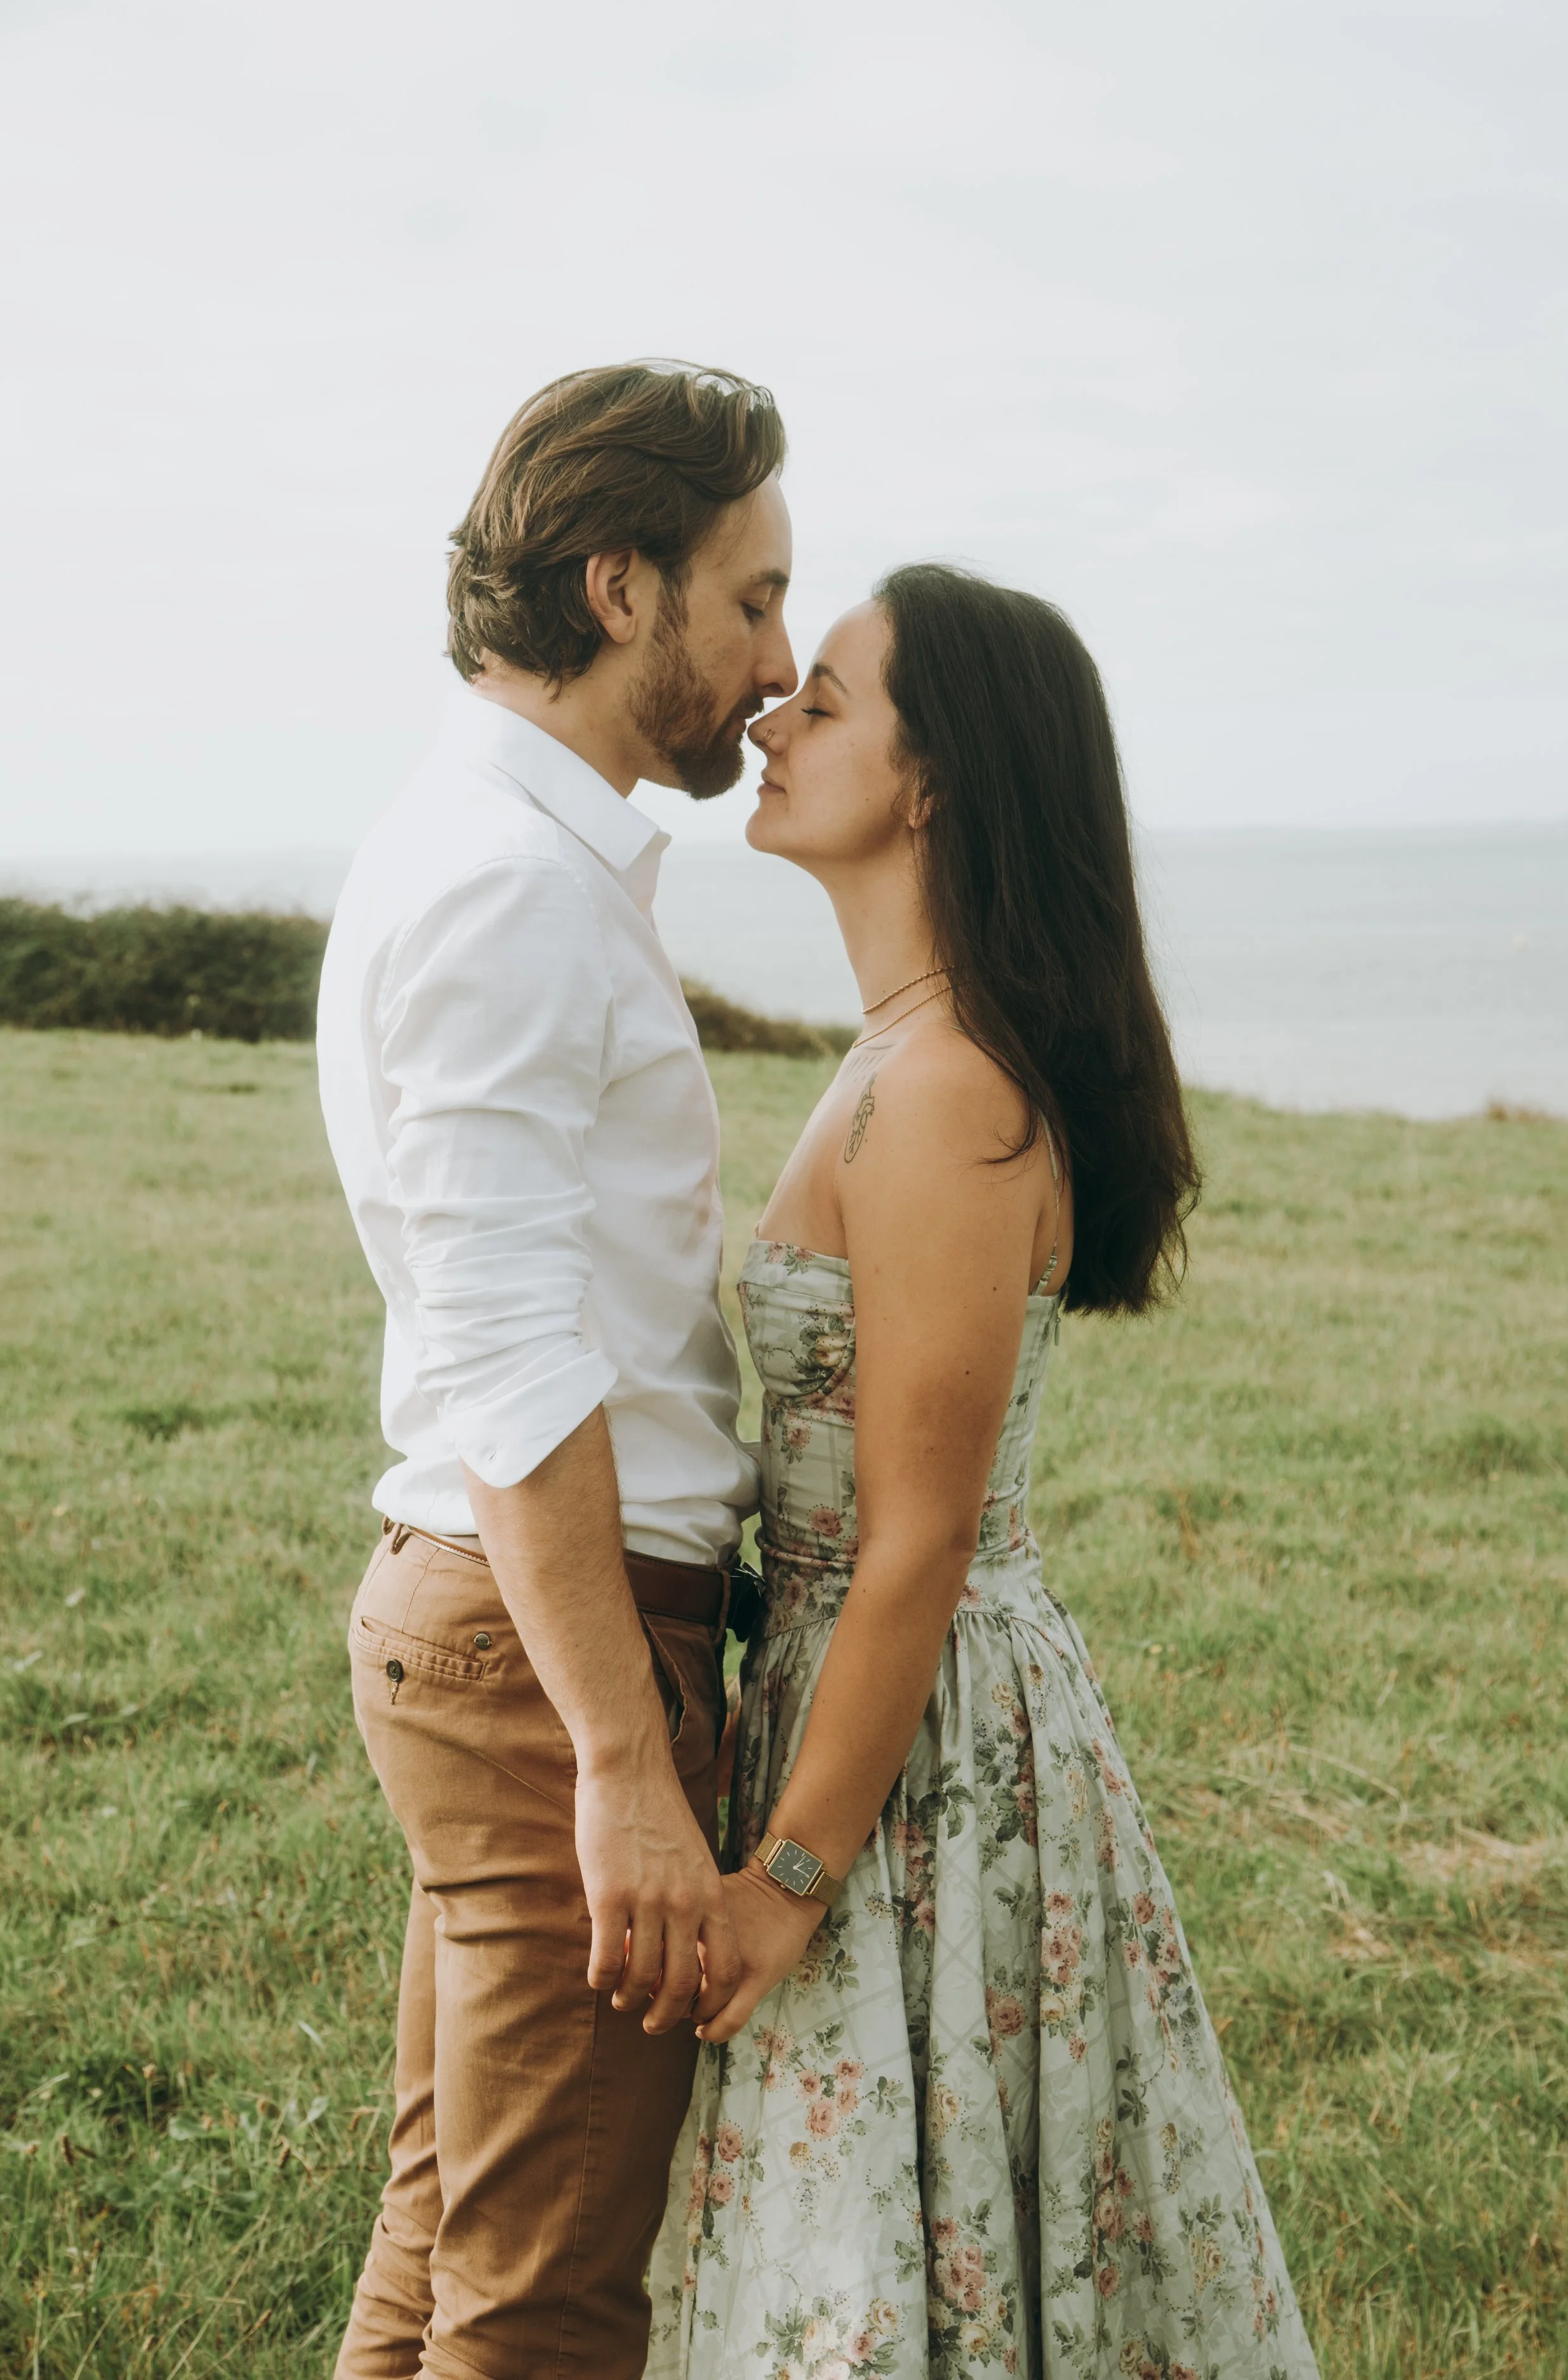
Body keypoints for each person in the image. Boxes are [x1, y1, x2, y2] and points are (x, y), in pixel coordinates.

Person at [646, 566, 1319, 2379]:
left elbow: (916, 1541)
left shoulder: (941, 1092)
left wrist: (786, 1876)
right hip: (875, 1699)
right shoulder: (899, 1057)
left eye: (833, 699)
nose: (774, 714)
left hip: (921, 1730)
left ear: (933, 783)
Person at [316, 360, 794, 2380]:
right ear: (622, 588)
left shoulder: (510, 851)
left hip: (504, 1634)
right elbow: (508, 1345)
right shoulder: (510, 890)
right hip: (550, 1658)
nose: (776, 666)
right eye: (752, 598)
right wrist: (617, 1756)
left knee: (447, 2246)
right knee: (545, 2307)